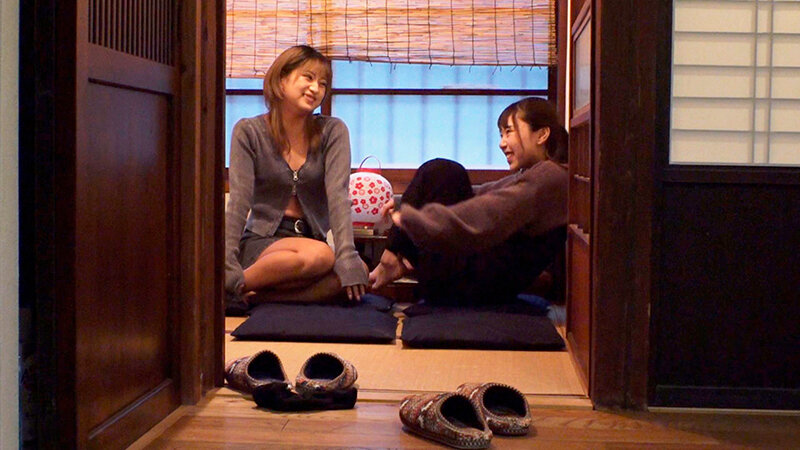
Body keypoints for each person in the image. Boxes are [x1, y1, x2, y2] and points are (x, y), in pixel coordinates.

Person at [369, 97, 569, 306]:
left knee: (444, 171)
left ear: (542, 134)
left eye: (509, 132)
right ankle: (393, 261)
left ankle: (391, 260)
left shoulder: (552, 176)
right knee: (443, 175)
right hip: (479, 281)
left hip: (482, 286)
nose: (502, 143)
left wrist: (413, 219)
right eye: (501, 134)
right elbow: (480, 193)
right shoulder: (536, 174)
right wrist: (404, 205)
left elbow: (490, 211)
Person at [225, 45, 367, 311]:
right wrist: (226, 263)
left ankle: (253, 297)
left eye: (322, 83)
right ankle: (231, 284)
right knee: (321, 256)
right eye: (308, 78)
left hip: (311, 240)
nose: (316, 88)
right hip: (262, 244)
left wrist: (348, 254)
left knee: (355, 274)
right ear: (281, 80)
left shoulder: (333, 131)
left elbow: (338, 196)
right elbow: (239, 201)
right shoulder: (249, 131)